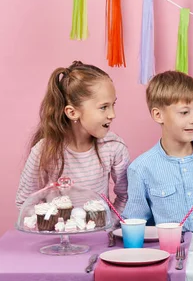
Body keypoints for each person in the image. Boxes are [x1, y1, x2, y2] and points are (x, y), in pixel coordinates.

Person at [16, 61, 128, 212]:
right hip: (59, 235)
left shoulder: (114, 147)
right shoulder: (44, 151)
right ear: (72, 112)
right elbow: (24, 202)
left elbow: (126, 196)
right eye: (103, 107)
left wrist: (110, 224)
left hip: (100, 235)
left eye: (113, 105)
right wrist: (51, 225)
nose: (112, 115)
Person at [122, 71, 193, 232]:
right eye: (184, 112)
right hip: (172, 253)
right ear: (158, 115)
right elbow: (136, 222)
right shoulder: (141, 168)